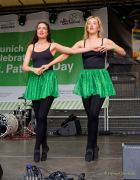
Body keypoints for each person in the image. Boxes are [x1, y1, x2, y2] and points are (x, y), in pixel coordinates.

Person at [40, 16, 126, 162]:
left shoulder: (105, 41)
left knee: (94, 112)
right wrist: (48, 65)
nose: (92, 26)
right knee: (90, 115)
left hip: (100, 79)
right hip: (86, 79)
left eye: (95, 24)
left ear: (99, 27)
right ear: (86, 27)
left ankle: (89, 147)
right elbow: (65, 55)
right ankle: (94, 146)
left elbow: (122, 52)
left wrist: (112, 47)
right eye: (89, 24)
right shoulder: (82, 43)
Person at [22, 21, 97, 163]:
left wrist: (91, 47)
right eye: (39, 28)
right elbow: (24, 66)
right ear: (36, 31)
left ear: (48, 31)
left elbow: (72, 51)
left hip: (48, 81)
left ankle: (37, 148)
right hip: (35, 81)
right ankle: (44, 146)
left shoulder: (53, 46)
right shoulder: (31, 47)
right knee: (39, 117)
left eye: (44, 28)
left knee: (43, 115)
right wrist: (34, 69)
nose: (41, 30)